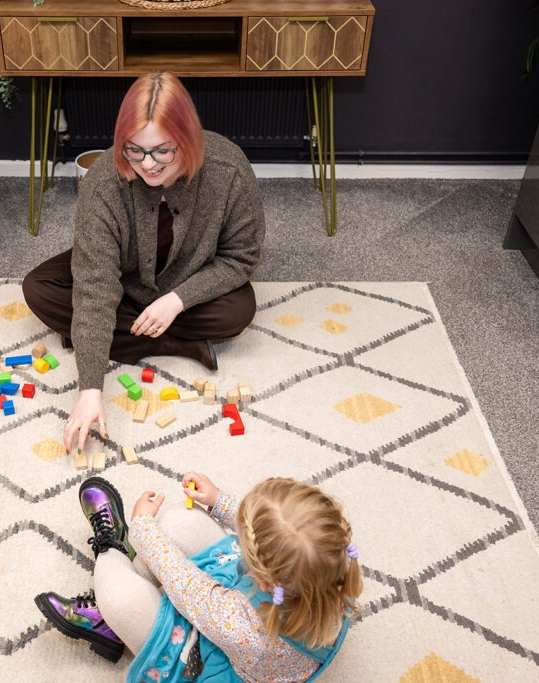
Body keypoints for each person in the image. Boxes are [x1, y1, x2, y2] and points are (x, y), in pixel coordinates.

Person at [21, 71, 265, 456]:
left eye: (162, 151)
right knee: (40, 288)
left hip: (189, 280)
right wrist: (89, 390)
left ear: (188, 140)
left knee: (239, 310)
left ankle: (111, 337)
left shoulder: (228, 168)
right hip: (125, 279)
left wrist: (178, 300)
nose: (148, 164)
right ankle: (180, 344)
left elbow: (242, 257)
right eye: (134, 150)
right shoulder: (104, 181)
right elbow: (96, 282)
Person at [34, 473, 363, 682]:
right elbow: (277, 531)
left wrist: (142, 527)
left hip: (207, 659)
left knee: (120, 595)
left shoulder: (243, 629)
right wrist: (220, 501)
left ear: (263, 579)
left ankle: (114, 548)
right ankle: (122, 604)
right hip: (247, 621)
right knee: (182, 519)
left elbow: (186, 586)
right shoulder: (331, 561)